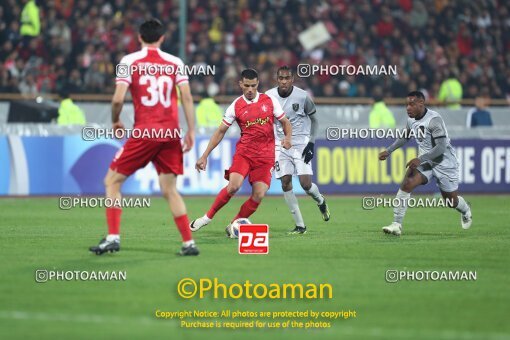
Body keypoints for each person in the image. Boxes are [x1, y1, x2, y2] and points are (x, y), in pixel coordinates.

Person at [89, 19, 198, 256]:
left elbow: (118, 99)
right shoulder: (175, 62)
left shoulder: (129, 62)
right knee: (170, 189)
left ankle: (112, 237)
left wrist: (115, 119)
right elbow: (187, 98)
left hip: (146, 132)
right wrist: (191, 131)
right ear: (162, 38)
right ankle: (189, 243)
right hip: (170, 133)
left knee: (112, 182)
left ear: (139, 37)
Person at [190, 68, 292, 232]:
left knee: (259, 194)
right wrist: (204, 155)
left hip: (266, 157)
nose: (250, 90)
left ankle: (234, 224)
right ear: (240, 84)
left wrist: (288, 138)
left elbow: (285, 122)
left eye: (253, 85)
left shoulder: (269, 101)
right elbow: (220, 132)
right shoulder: (235, 106)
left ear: (258, 83)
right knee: (233, 186)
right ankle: (206, 218)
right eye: (247, 86)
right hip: (245, 153)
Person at [378, 91, 472, 236]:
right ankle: (396, 224)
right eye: (406, 104)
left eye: (411, 104)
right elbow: (405, 137)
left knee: (450, 201)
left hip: (444, 163)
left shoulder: (434, 120)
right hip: (426, 162)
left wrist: (420, 159)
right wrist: (389, 150)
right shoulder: (411, 120)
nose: (408, 108)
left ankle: (465, 209)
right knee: (407, 182)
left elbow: (441, 147)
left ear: (421, 103)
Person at [266, 66, 330, 234]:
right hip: (280, 145)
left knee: (305, 184)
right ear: (277, 79)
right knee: (285, 182)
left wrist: (311, 143)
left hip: (300, 143)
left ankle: (320, 200)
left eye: (287, 78)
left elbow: (315, 120)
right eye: (281, 78)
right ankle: (300, 225)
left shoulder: (302, 97)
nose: (284, 81)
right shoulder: (268, 96)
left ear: (292, 79)